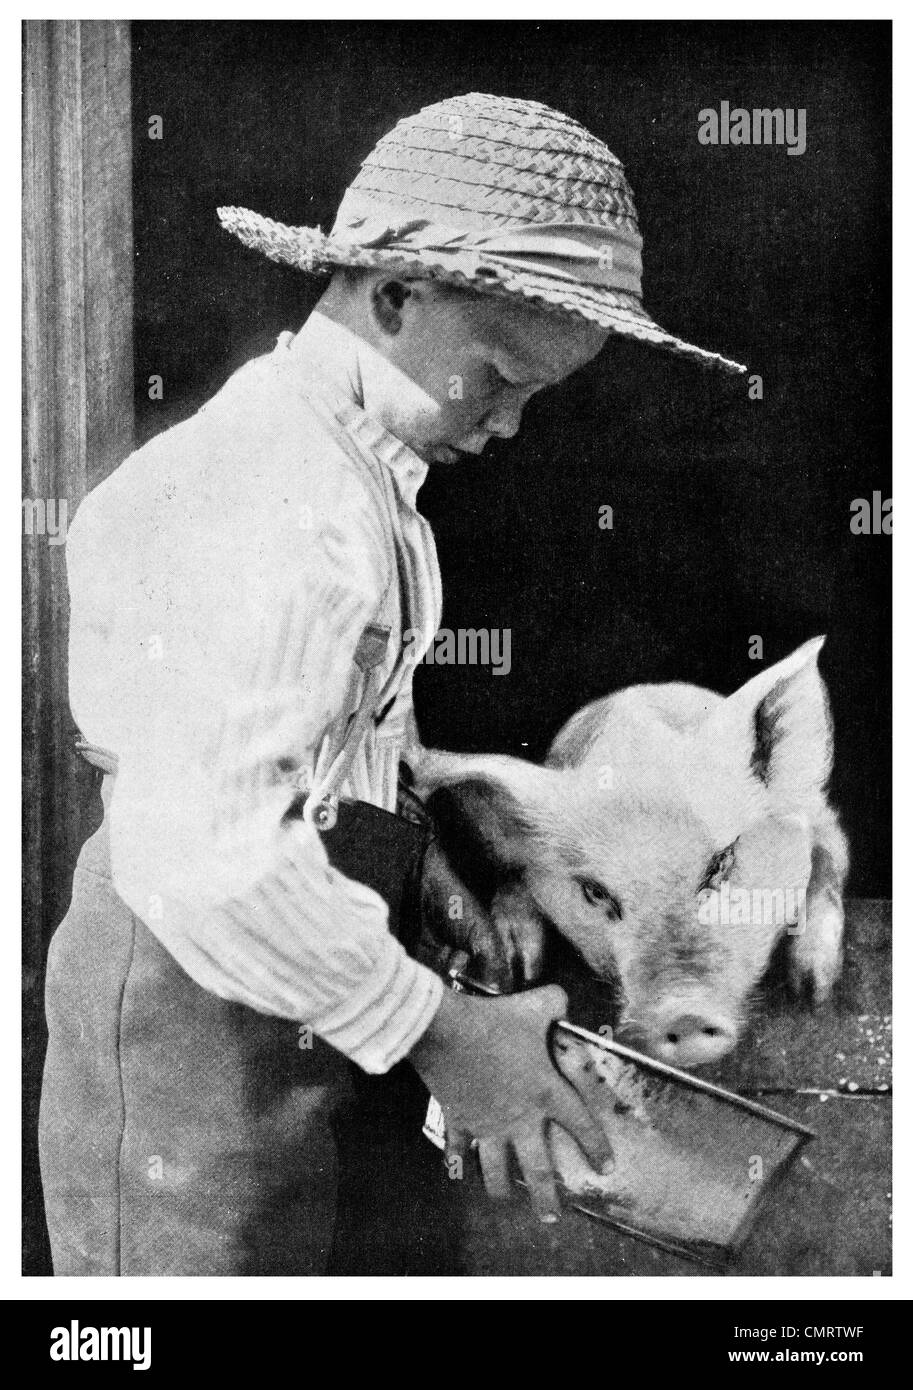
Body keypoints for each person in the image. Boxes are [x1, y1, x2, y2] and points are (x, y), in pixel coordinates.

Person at [39, 92, 744, 1275]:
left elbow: (339, 736)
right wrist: (443, 1030)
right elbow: (205, 847)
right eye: (494, 378)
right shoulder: (267, 495)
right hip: (195, 1002)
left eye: (535, 399)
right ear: (395, 298)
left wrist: (423, 866)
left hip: (308, 978)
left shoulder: (372, 484)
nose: (510, 426)